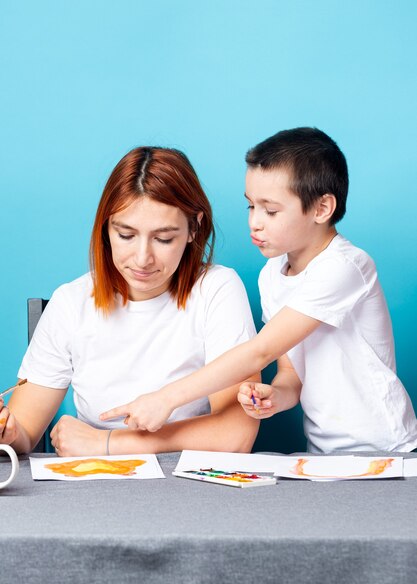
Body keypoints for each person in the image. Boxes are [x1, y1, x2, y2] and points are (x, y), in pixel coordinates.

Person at [101, 127, 417, 454]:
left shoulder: (346, 267)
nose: (255, 222)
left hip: (387, 448)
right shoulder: (272, 274)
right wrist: (275, 397)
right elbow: (291, 376)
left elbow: (260, 351)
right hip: (324, 454)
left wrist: (166, 398)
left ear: (322, 209)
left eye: (271, 210)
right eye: (251, 206)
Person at [0, 147, 259, 456]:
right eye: (125, 235)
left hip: (189, 487)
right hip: (93, 484)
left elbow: (235, 435)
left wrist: (106, 443)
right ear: (106, 229)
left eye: (163, 239)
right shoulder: (71, 302)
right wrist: (8, 433)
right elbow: (24, 433)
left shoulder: (217, 289)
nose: (142, 258)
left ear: (194, 227)